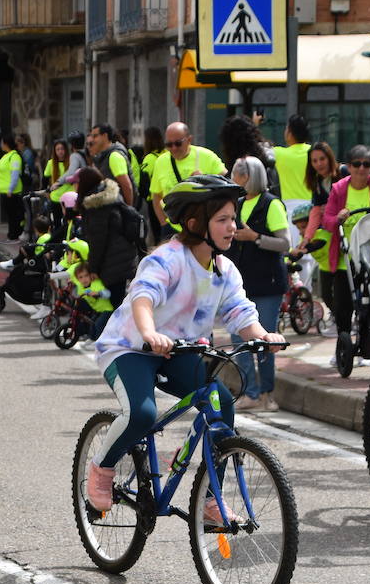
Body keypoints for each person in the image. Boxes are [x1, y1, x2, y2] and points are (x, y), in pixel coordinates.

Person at [84, 174, 284, 513]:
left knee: (221, 404)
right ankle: (101, 467)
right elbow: (143, 298)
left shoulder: (225, 270)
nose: (232, 226)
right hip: (131, 347)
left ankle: (211, 499)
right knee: (143, 413)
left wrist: (262, 335)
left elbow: (239, 311)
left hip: (181, 350)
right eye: (222, 219)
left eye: (233, 218)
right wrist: (149, 333)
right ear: (195, 224)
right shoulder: (168, 259)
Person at [226, 156, 291, 411]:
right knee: (237, 339)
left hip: (267, 282)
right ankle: (250, 392)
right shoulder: (237, 203)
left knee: (265, 338)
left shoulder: (271, 204)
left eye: (237, 175)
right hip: (240, 282)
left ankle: (266, 392)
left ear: (247, 176)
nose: (234, 179)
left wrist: (255, 237)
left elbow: (284, 243)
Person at [77, 166, 139, 308]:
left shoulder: (97, 206)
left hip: (112, 261)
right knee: (116, 302)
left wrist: (93, 269)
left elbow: (98, 242)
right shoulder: (110, 196)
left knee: (111, 308)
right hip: (123, 255)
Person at [149, 121, 227, 230]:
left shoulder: (207, 156)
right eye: (169, 145)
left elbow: (226, 186)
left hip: (202, 227)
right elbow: (156, 196)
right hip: (172, 228)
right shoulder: (161, 162)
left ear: (189, 140)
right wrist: (164, 224)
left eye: (178, 143)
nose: (174, 148)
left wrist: (206, 180)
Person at [300, 141, 341, 248]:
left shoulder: (343, 172)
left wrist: (329, 208)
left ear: (329, 158)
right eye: (314, 161)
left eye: (322, 159)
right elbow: (316, 211)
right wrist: (307, 238)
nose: (319, 164)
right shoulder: (317, 182)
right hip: (335, 230)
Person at [86, 123, 135, 205]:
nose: (92, 140)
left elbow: (127, 187)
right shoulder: (104, 156)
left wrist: (128, 210)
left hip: (120, 211)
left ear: (105, 136)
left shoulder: (114, 156)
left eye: (95, 136)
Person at [272, 114, 313, 203]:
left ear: (290, 134)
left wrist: (255, 123)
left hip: (289, 207)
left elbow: (256, 147)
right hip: (312, 204)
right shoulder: (314, 152)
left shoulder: (278, 153)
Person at [71, 262, 114, 339]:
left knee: (98, 324)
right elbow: (76, 291)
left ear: (91, 275)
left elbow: (108, 294)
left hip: (107, 309)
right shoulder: (81, 286)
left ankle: (99, 341)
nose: (84, 279)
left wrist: (98, 293)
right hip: (97, 310)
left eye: (86, 276)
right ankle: (91, 339)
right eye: (80, 277)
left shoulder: (96, 283)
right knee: (92, 323)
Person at [0, 135, 24, 240]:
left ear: (6, 144)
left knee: (14, 215)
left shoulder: (14, 156)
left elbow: (15, 174)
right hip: (5, 191)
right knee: (10, 215)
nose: (1, 145)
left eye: (2, 143)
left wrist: (10, 189)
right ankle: (11, 234)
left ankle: (14, 235)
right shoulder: (7, 155)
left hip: (12, 192)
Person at [140, 126, 166, 243]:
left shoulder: (149, 159)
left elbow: (143, 183)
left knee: (158, 234)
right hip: (169, 197)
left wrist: (146, 197)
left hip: (154, 200)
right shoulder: (167, 154)